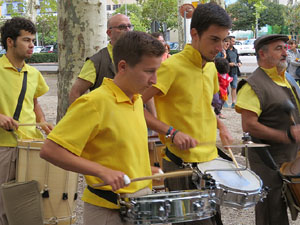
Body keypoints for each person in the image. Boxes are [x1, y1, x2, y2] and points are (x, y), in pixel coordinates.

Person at [40, 31, 165, 225]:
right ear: (123, 66)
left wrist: (143, 170)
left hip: (141, 203)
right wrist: (101, 171)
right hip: (109, 211)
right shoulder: (93, 103)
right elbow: (50, 149)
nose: (155, 80)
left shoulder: (137, 99)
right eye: (149, 71)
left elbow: (117, 150)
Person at [142, 3, 233, 225]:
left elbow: (205, 107)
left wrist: (221, 127)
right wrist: (171, 132)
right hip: (181, 166)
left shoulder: (211, 67)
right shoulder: (171, 67)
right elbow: (133, 104)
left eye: (223, 40)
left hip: (210, 163)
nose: (220, 47)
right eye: (214, 39)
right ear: (194, 33)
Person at [235, 34, 300, 225]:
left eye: (285, 48)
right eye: (278, 48)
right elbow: (249, 125)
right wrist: (285, 135)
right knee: (272, 215)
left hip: (292, 156)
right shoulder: (252, 85)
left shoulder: (286, 77)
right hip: (267, 161)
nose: (285, 52)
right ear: (262, 54)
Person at [0, 17, 53, 225]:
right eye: (26, 40)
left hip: (30, 145)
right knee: (3, 206)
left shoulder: (33, 74)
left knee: (28, 203)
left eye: (33, 40)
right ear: (10, 42)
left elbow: (34, 103)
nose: (32, 45)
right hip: (4, 146)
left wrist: (42, 121)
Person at [69, 14, 133, 104]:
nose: (128, 30)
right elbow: (75, 92)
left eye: (129, 26)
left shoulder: (138, 55)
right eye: (122, 27)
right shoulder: (96, 61)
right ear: (109, 33)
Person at [226, 36, 242, 108]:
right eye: (232, 41)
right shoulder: (224, 50)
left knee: (234, 86)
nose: (234, 42)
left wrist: (239, 63)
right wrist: (229, 64)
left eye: (234, 41)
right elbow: (221, 60)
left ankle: (233, 102)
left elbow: (238, 59)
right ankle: (224, 101)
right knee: (225, 86)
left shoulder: (235, 50)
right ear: (228, 42)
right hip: (226, 71)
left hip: (234, 71)